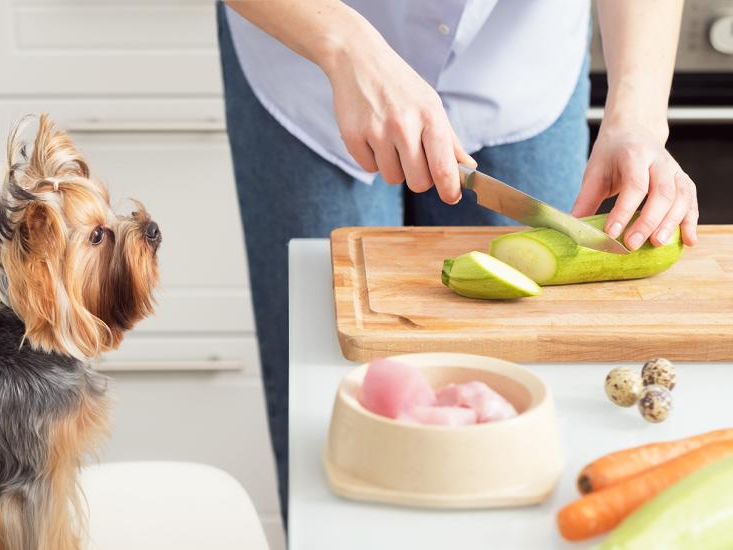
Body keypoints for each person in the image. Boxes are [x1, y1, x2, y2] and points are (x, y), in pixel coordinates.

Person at [217, 0, 699, 521]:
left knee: (526, 422)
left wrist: (638, 117)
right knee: (328, 414)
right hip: (307, 50)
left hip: (518, 54)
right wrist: (344, 46)